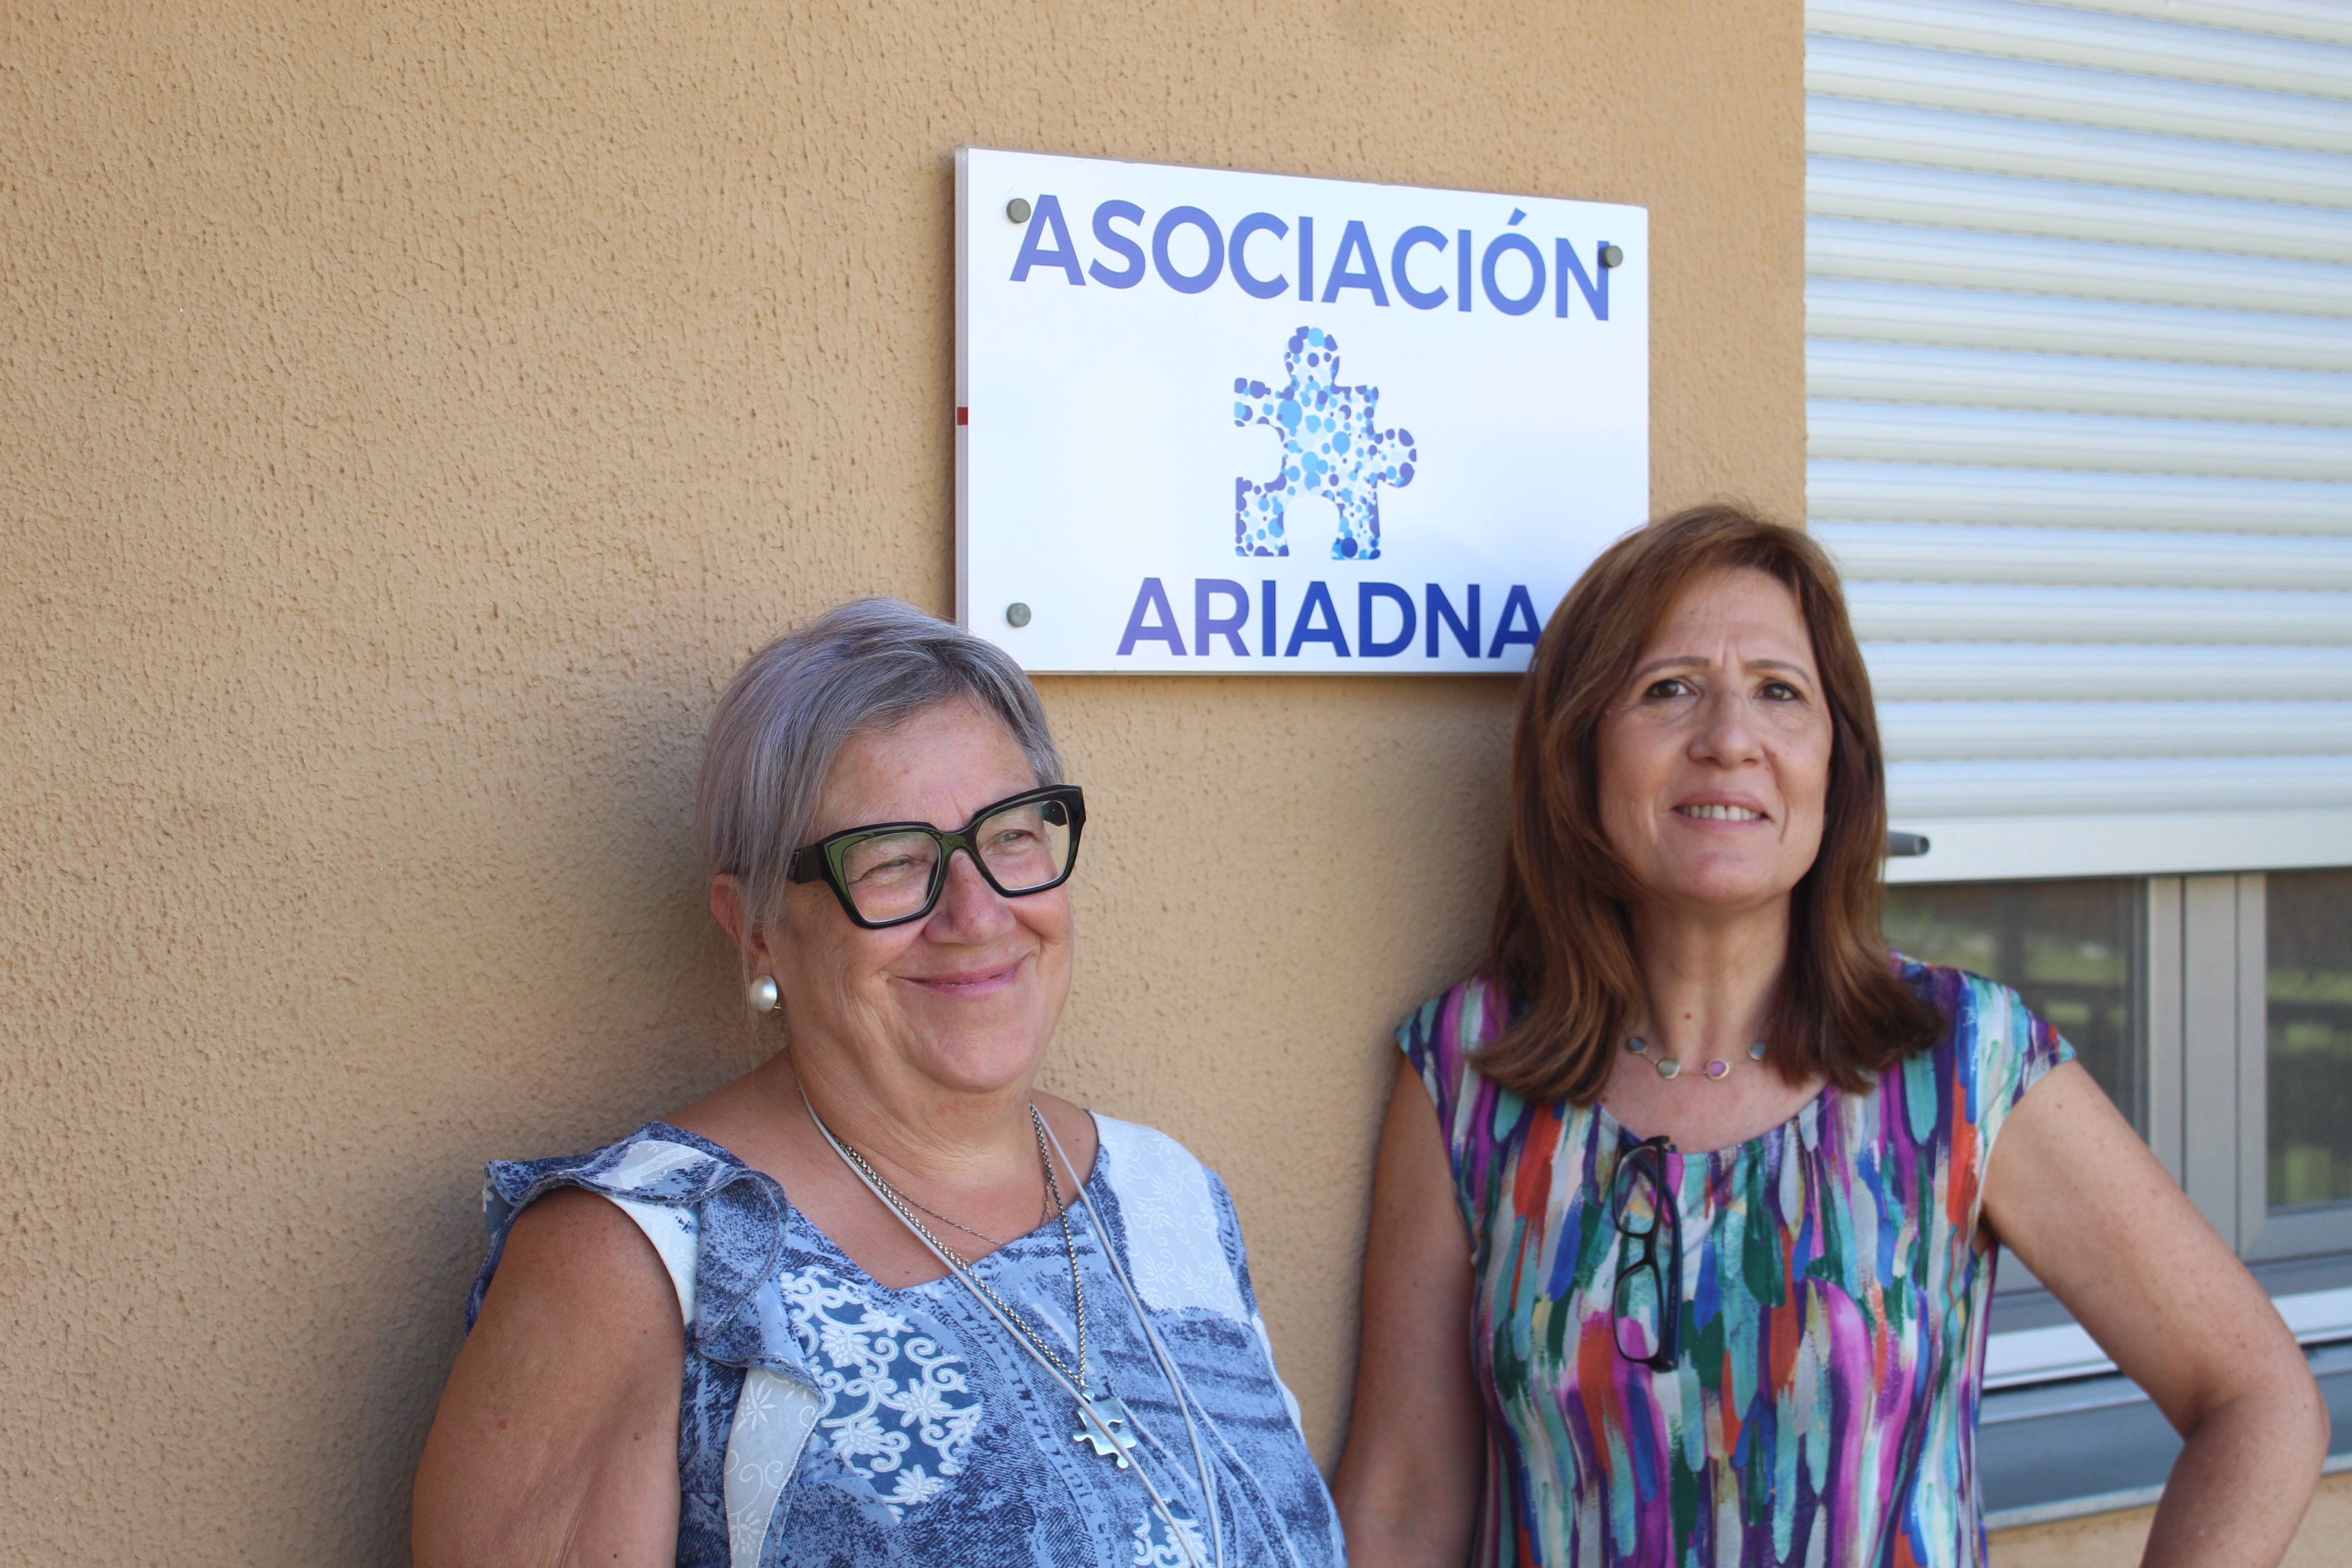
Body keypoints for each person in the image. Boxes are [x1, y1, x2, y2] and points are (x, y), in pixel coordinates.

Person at [1332, 506, 2328, 1566]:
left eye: (1779, 692)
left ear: (1834, 765)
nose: (1730, 739)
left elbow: (2258, 1399)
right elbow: (1402, 1498)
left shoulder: (1963, 1066)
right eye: (1668, 689)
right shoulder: (1470, 1069)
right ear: (1579, 753)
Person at [413, 598, 1342, 1568]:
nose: (978, 914)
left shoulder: (1169, 1200)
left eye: (1014, 835)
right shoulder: (638, 1263)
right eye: (895, 860)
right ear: (756, 925)